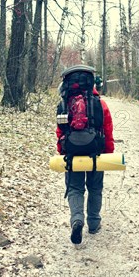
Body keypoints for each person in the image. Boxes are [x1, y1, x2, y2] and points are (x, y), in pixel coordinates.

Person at [56, 65, 114, 245]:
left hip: (72, 152)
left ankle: (77, 220)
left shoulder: (64, 104)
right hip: (95, 150)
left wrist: (62, 150)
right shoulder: (100, 103)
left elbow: (60, 130)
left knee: (75, 188)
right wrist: (108, 151)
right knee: (95, 187)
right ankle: (94, 223)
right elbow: (107, 128)